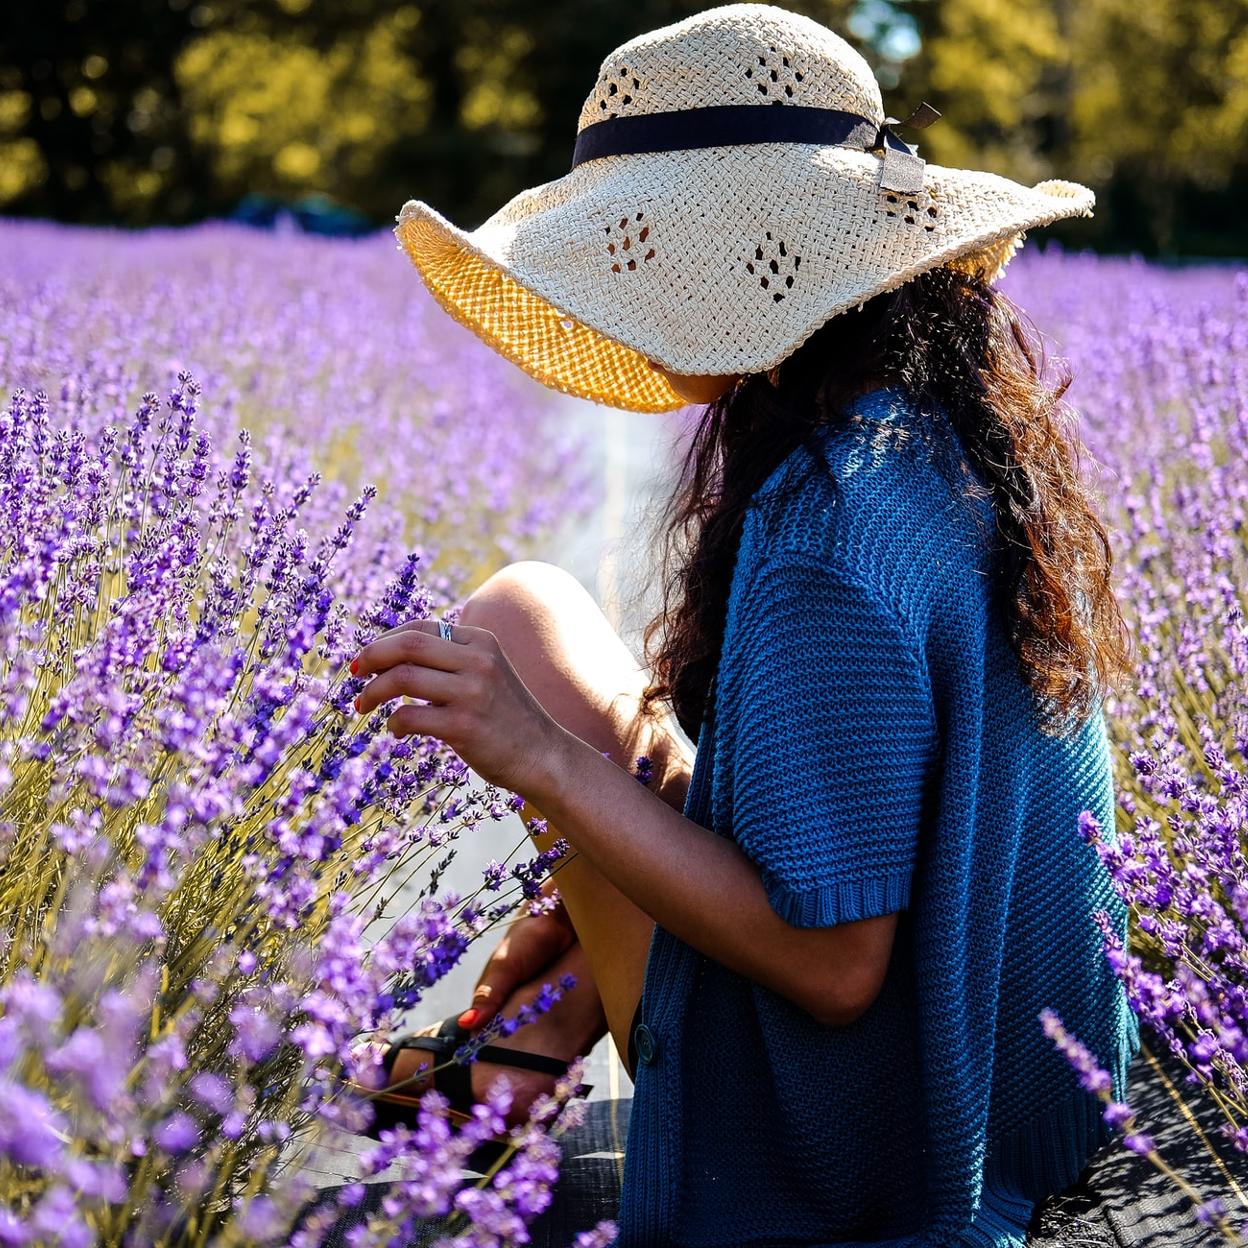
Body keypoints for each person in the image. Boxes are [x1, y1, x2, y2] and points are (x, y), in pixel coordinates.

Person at [350, 4, 1143, 1243]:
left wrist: (540, 762)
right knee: (525, 611)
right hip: (1022, 1079)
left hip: (867, 1143)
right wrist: (582, 895)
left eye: (632, 252)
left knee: (522, 675)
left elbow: (834, 969)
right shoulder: (939, 435)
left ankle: (519, 1050)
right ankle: (542, 1026)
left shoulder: (827, 532)